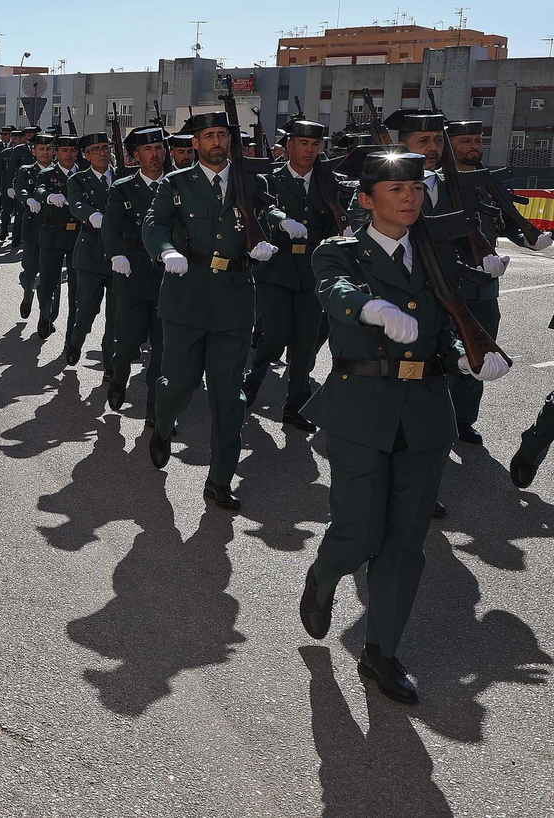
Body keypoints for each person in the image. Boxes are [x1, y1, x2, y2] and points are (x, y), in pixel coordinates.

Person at [298, 147, 510, 705]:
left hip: (423, 415)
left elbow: (454, 326)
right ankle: (325, 575)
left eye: (416, 188)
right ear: (367, 200)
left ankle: (381, 653)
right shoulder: (338, 251)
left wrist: (471, 358)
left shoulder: (438, 254)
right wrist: (371, 309)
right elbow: (334, 291)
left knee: (404, 544)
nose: (411, 197)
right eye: (396, 189)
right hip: (360, 409)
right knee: (358, 533)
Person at [143, 111, 284, 509]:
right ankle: (163, 427)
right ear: (196, 143)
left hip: (234, 301)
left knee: (229, 397)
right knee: (176, 385)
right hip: (186, 297)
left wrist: (268, 237)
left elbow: (266, 213)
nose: (217, 141)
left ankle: (220, 479)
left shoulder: (248, 181)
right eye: (209, 136)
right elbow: (154, 223)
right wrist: (165, 249)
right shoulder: (176, 183)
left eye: (223, 134)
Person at [438, 118, 550, 444]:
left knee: (481, 353)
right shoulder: (437, 185)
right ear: (449, 146)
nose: (475, 146)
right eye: (466, 141)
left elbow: (506, 222)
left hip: (485, 290)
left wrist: (529, 238)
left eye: (478, 140)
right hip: (446, 287)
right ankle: (431, 420)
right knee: (441, 358)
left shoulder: (490, 183)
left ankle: (463, 420)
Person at [243, 118, 339, 431]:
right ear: (289, 146)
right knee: (274, 336)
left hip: (312, 270)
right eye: (303, 143)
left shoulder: (329, 181)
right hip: (277, 268)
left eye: (315, 144)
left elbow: (341, 212)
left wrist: (347, 227)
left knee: (306, 342)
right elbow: (262, 210)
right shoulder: (270, 178)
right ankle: (253, 380)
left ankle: (295, 406)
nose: (309, 150)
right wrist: (282, 221)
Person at [102, 125, 167, 419]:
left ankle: (157, 410)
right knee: (128, 342)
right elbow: (111, 226)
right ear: (135, 156)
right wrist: (116, 253)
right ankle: (119, 376)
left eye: (158, 148)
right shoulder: (123, 188)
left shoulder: (176, 185)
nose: (155, 155)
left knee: (163, 350)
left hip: (169, 277)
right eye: (148, 150)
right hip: (132, 273)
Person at [64, 130, 117, 367]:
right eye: (96, 150)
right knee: (86, 311)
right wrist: (93, 215)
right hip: (91, 253)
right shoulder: (78, 180)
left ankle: (110, 367)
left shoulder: (123, 177)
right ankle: (75, 342)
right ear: (86, 155)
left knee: (116, 318)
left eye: (106, 148)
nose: (102, 153)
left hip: (119, 254)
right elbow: (76, 204)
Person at [32, 131, 78, 340]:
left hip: (79, 236)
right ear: (56, 153)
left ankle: (72, 332)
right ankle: (45, 313)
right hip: (53, 233)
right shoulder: (47, 174)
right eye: (64, 150)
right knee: (48, 283)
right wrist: (50, 196)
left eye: (72, 150)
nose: (68, 155)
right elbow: (38, 191)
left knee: (77, 288)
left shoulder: (83, 174)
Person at [13, 130, 53, 318]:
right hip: (32, 229)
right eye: (41, 149)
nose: (45, 153)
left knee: (48, 275)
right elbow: (20, 187)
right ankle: (27, 295)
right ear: (34, 152)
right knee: (29, 271)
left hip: (55, 231)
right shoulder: (26, 170)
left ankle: (46, 315)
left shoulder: (58, 171)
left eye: (48, 149)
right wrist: (28, 200)